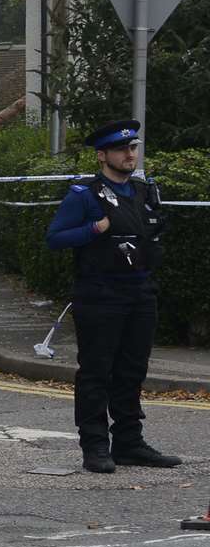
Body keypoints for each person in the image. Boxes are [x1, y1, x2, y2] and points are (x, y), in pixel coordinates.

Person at [44, 119, 180, 473]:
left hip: (140, 292)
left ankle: (129, 444)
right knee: (96, 372)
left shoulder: (141, 191)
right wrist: (93, 228)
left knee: (132, 371)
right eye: (121, 149)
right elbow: (55, 238)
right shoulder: (84, 195)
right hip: (100, 294)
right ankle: (94, 447)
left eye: (132, 148)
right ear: (102, 156)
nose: (129, 154)